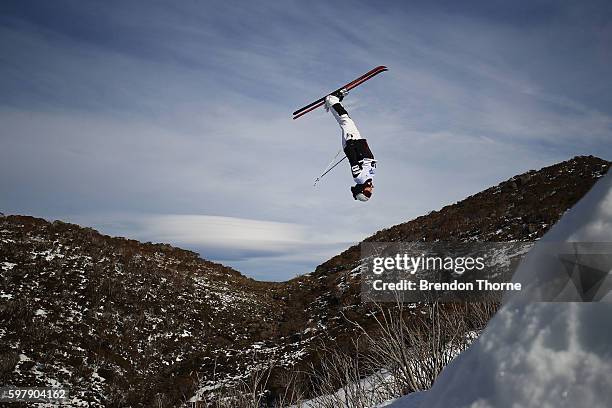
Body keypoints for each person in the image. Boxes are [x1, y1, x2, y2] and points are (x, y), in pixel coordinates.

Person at [324, 90, 376, 202]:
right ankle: (335, 103)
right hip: (360, 143)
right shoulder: (369, 179)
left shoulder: (359, 177)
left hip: (353, 143)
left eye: (367, 193)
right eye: (370, 194)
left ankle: (331, 100)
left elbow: (353, 159)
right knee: (346, 121)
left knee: (345, 121)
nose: (370, 191)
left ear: (361, 189)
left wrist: (350, 143)